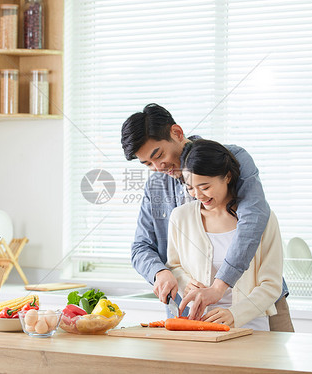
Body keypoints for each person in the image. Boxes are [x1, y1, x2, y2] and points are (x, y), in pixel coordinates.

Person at [121, 103, 294, 331]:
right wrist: (160, 273)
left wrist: (220, 287)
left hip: (259, 305)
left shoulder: (230, 159)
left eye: (159, 155)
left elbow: (254, 218)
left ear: (177, 133)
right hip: (193, 313)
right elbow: (142, 246)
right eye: (147, 164)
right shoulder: (157, 186)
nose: (158, 167)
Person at [166, 139, 283, 330]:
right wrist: (187, 284)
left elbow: (271, 285)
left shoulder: (263, 220)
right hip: (199, 328)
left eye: (205, 187)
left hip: (252, 327)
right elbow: (174, 266)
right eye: (190, 188)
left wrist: (234, 314)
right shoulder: (180, 217)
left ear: (227, 177)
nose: (198, 195)